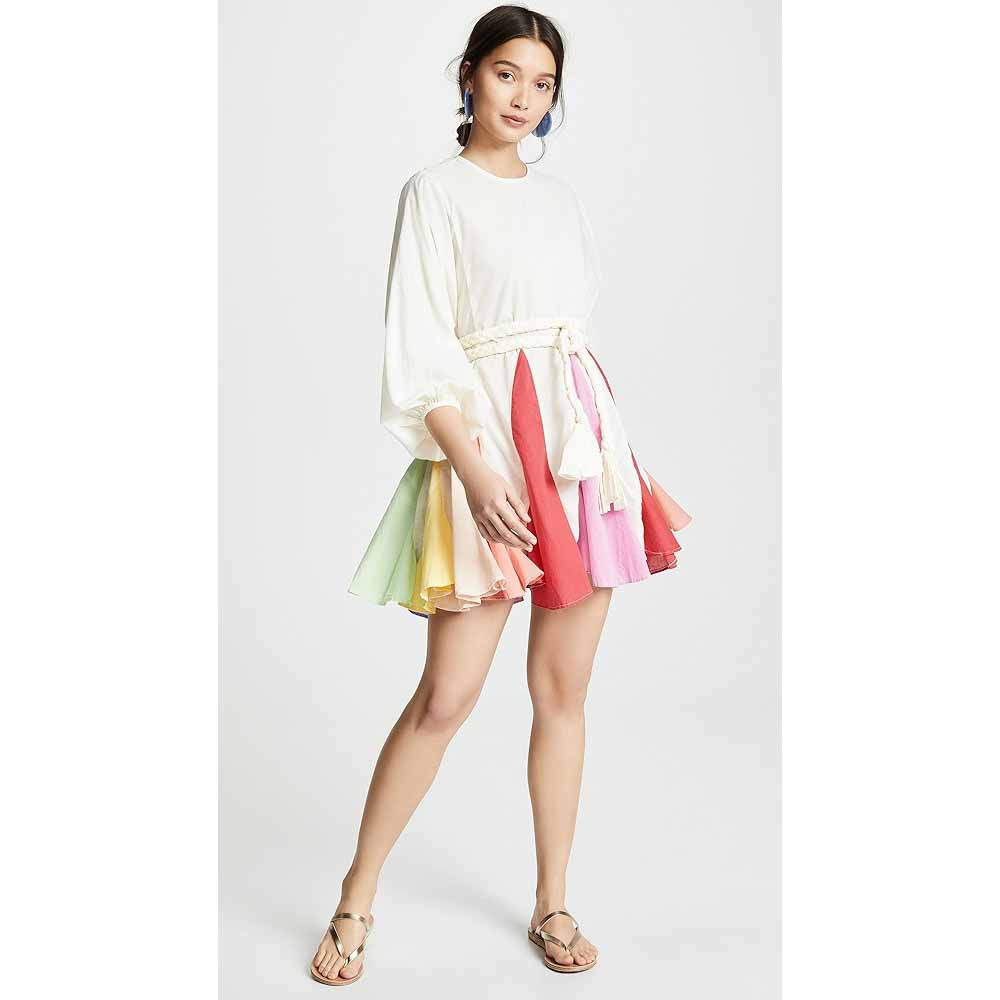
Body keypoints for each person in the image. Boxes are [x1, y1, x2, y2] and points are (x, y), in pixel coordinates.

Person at [311, 5, 691, 986]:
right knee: (446, 696)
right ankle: (356, 896)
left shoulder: (561, 203)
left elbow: (570, 346)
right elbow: (419, 349)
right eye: (508, 74)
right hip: (484, 453)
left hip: (577, 455)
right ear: (470, 76)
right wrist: (476, 473)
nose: (525, 97)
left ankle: (552, 901)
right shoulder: (433, 193)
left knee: (563, 693)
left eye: (544, 83)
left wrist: (614, 455)